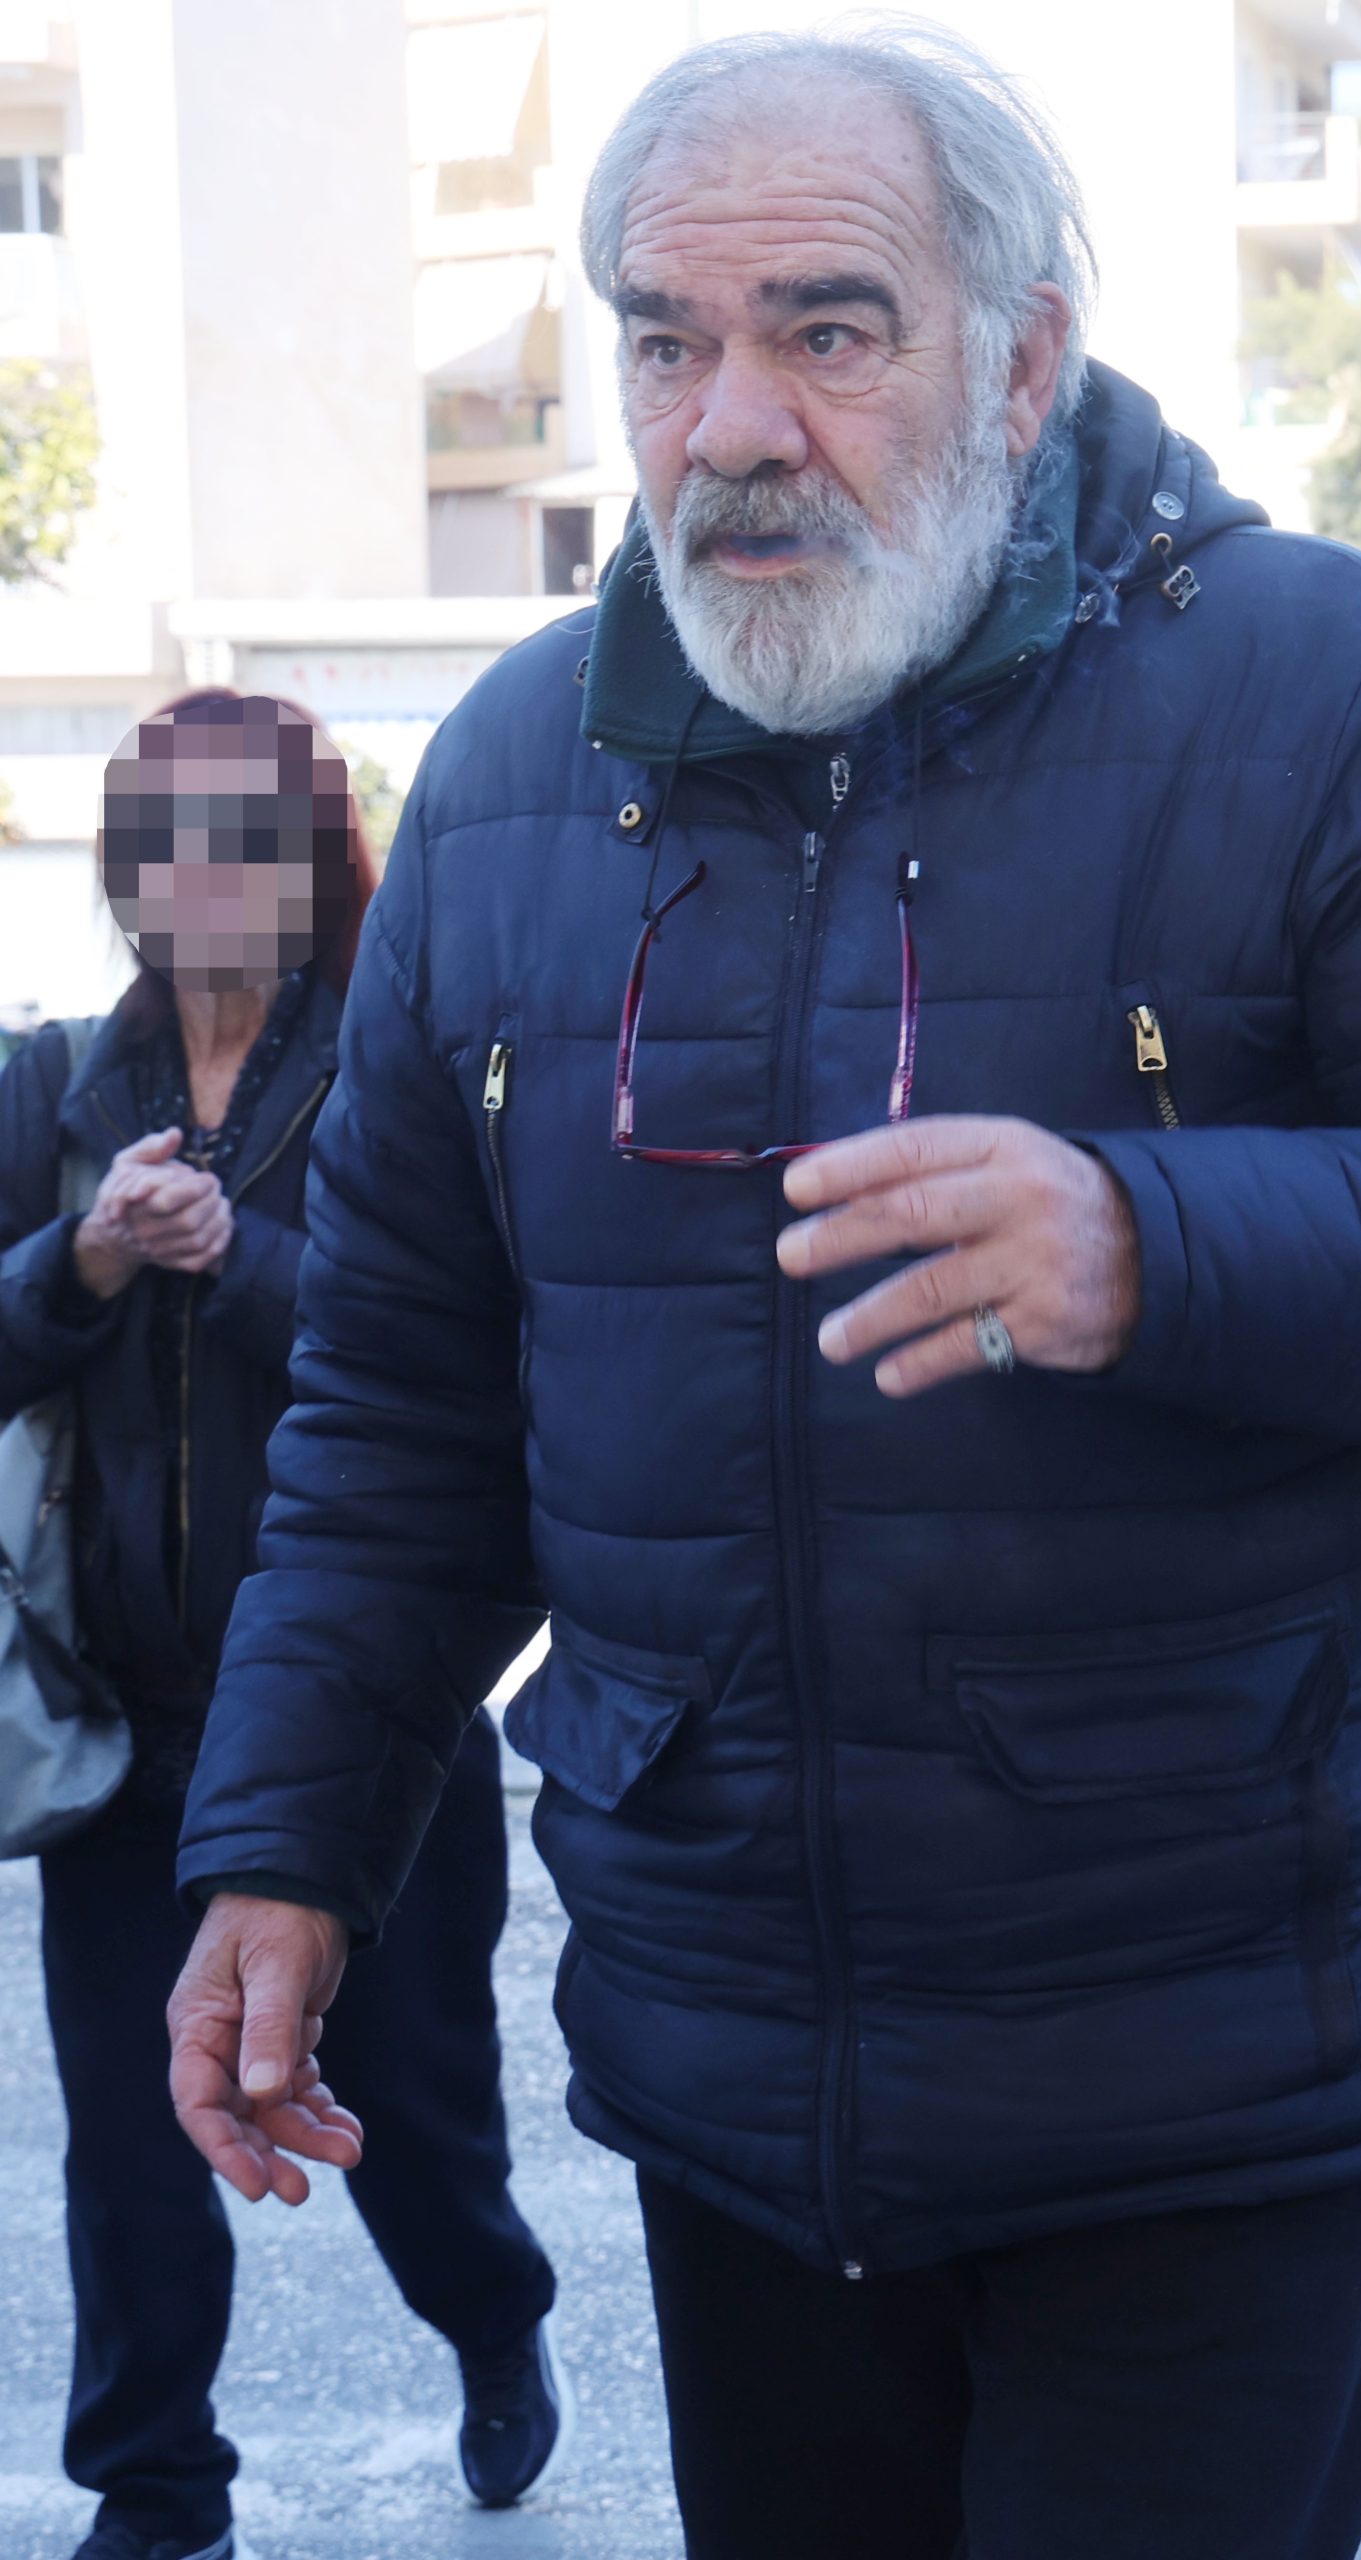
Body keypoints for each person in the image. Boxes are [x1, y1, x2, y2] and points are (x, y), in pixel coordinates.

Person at [169, 33, 1361, 2560]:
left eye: (827, 328)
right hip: (731, 2087)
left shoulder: (1325, 689)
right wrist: (286, 1844)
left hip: (1214, 2083)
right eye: (666, 341)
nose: (730, 425)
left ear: (1018, 356)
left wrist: (1154, 1241)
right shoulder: (504, 786)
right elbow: (400, 1415)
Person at [0, 693, 566, 2560]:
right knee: (131, 2147)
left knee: (414, 2116)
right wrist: (81, 1260)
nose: (205, 879)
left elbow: (454, 1362)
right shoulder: (55, 1088)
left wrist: (233, 1260)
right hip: (126, 1722)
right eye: (167, 842)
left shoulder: (392, 1072)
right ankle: (157, 2494)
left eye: (248, 840)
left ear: (317, 867)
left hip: (362, 1713)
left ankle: (495, 2319)